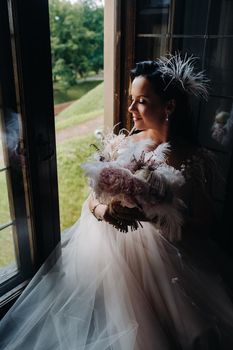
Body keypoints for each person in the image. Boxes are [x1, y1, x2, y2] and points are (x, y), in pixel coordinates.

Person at [1, 54, 233, 350]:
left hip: (171, 256)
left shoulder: (194, 158)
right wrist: (105, 212)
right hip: (111, 253)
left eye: (142, 101)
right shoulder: (124, 143)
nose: (130, 108)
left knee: (195, 331)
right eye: (131, 99)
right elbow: (91, 202)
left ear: (169, 107)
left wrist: (159, 216)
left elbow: (205, 223)